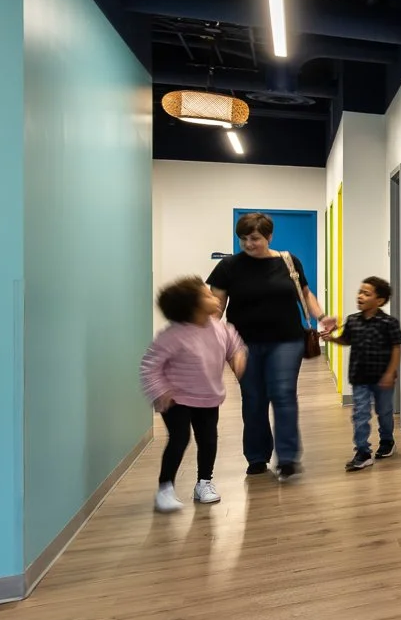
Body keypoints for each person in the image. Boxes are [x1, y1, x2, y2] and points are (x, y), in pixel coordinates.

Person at [207, 213, 333, 479]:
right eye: (243, 239)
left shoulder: (288, 261)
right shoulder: (228, 267)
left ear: (269, 236)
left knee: (283, 394)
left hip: (287, 340)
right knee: (253, 399)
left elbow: (306, 293)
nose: (249, 244)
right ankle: (256, 456)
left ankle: (287, 458)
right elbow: (215, 308)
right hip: (243, 345)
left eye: (255, 238)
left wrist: (322, 316)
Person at [140, 277, 248, 513]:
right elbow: (150, 365)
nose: (215, 297)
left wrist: (237, 359)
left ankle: (204, 483)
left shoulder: (220, 327)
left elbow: (234, 345)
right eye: (207, 295)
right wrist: (161, 391)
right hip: (177, 398)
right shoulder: (173, 335)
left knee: (208, 440)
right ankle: (165, 488)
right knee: (179, 439)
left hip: (208, 396)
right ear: (193, 306)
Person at [323, 275, 401, 471]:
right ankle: (363, 452)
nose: (360, 296)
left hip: (382, 378)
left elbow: (396, 348)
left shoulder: (389, 323)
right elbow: (346, 340)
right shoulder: (353, 320)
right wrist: (332, 338)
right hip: (359, 377)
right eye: (360, 292)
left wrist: (390, 373)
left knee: (384, 412)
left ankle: (387, 441)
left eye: (366, 294)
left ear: (379, 301)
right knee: (360, 414)